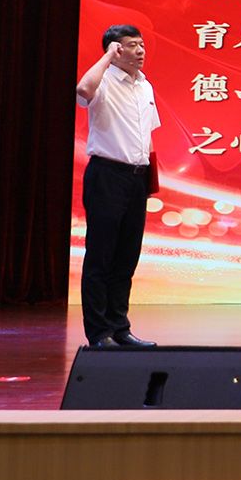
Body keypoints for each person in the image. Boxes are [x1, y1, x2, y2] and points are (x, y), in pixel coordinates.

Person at [74, 24, 161, 348]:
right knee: (101, 255)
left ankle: (119, 327)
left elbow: (147, 136)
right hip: (107, 176)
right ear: (116, 49)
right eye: (132, 45)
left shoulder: (145, 86)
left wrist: (150, 179)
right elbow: (83, 90)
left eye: (142, 45)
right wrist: (107, 57)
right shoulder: (103, 81)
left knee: (126, 256)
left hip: (136, 178)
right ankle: (99, 333)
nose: (140, 51)